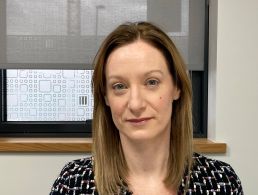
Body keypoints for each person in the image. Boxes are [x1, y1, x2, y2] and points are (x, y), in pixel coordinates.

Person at [49, 22, 243, 195]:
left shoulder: (221, 182)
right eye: (119, 86)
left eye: (151, 82)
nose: (135, 104)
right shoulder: (72, 184)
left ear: (177, 88)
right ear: (106, 97)